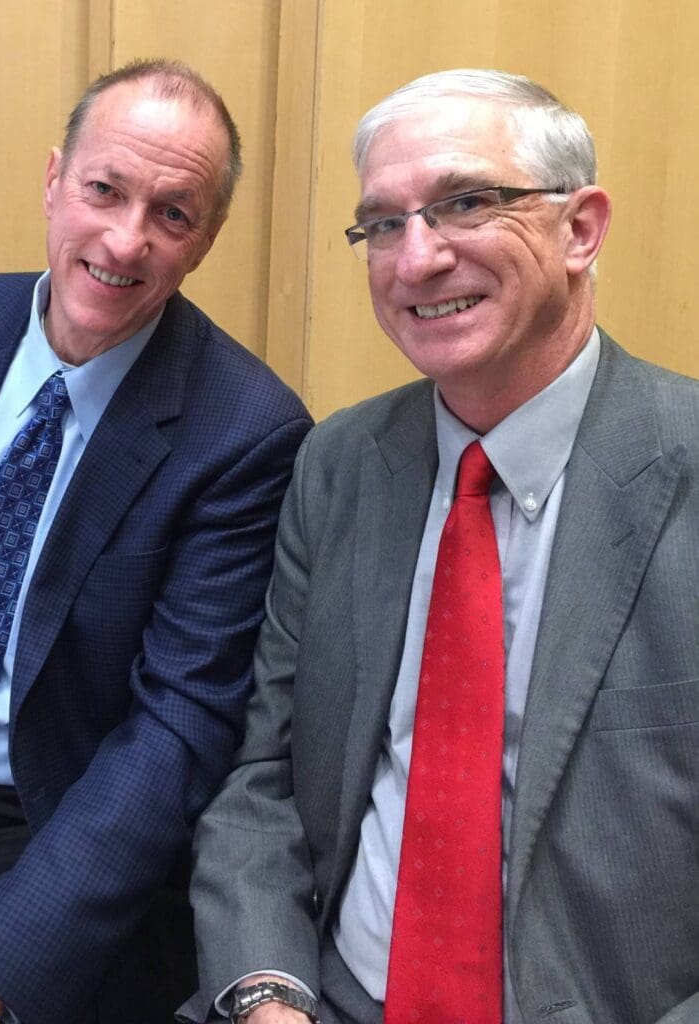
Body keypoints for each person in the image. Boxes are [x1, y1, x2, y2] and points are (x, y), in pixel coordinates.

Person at [181, 69, 699, 1024]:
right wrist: (267, 996)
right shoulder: (336, 463)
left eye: (466, 204)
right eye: (382, 223)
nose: (415, 258)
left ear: (579, 229)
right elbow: (261, 779)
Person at [0, 58, 311, 1024]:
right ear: (53, 181)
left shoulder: (244, 433)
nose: (125, 239)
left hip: (34, 821)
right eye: (103, 189)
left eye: (172, 214)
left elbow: (172, 735)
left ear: (204, 240)